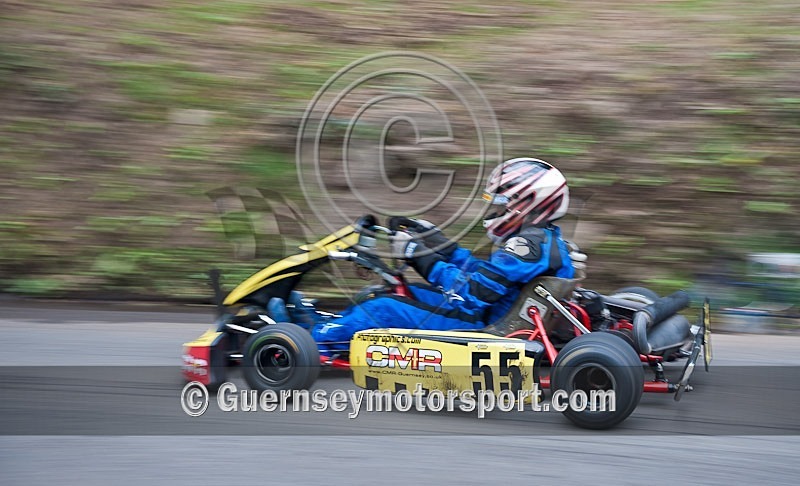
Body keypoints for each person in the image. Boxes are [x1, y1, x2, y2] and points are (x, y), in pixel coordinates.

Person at [303, 157, 577, 350]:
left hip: (485, 327)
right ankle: (335, 329)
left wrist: (419, 255)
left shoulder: (525, 248)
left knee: (381, 309)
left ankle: (310, 342)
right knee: (388, 294)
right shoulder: (543, 241)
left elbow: (469, 294)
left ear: (528, 203)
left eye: (501, 204)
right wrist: (441, 245)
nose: (494, 211)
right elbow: (488, 278)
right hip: (492, 312)